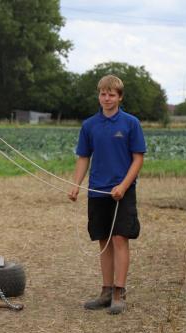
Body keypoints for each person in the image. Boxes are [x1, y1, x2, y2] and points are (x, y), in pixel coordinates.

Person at [68, 75, 146, 315]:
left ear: (120, 97)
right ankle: (105, 290)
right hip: (97, 192)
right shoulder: (89, 125)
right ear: (98, 95)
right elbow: (84, 157)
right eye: (103, 93)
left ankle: (119, 292)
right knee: (104, 241)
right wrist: (76, 184)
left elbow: (138, 158)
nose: (107, 98)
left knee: (120, 239)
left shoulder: (131, 123)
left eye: (112, 94)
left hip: (122, 193)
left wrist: (123, 186)